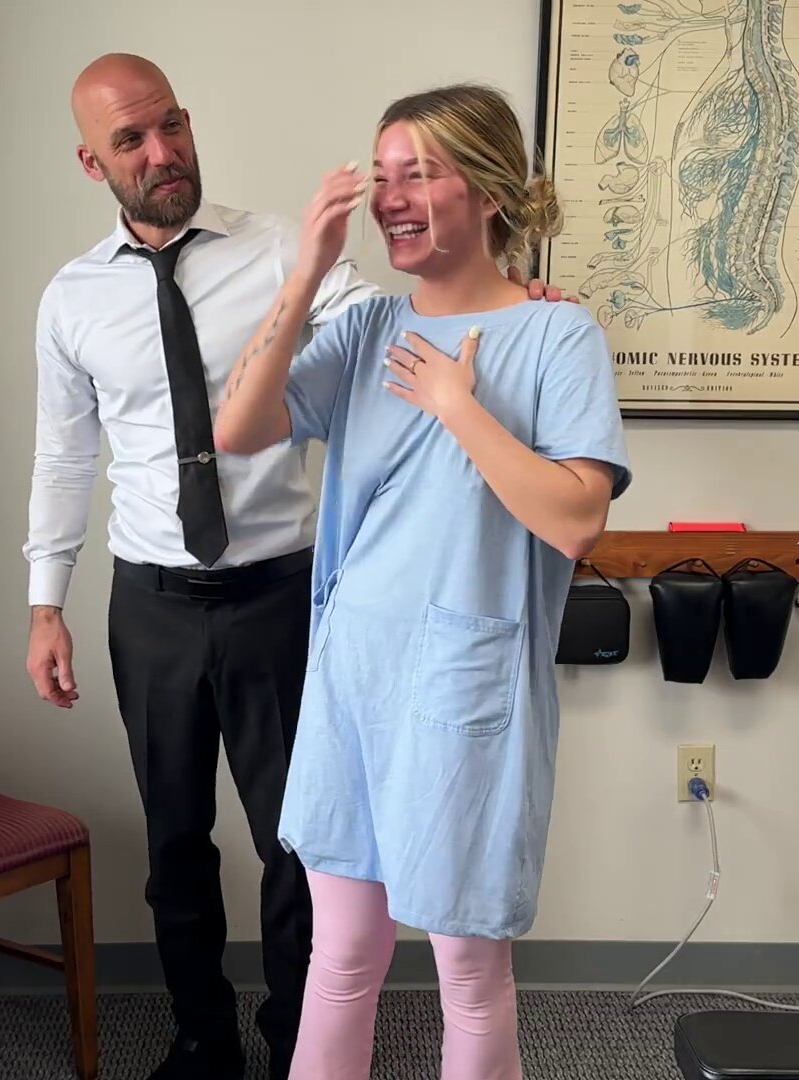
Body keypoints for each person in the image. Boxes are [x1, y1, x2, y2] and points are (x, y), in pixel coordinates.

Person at [24, 55, 569, 1080]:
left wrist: (511, 310)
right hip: (151, 599)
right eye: (132, 140)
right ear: (94, 164)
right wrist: (44, 602)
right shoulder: (72, 300)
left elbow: (395, 325)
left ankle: (294, 1044)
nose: (162, 151)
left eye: (171, 124)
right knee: (175, 840)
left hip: (278, 590)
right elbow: (64, 455)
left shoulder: (282, 246)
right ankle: (201, 1041)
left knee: (305, 842)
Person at [212, 83, 633, 1080]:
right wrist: (308, 271)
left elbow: (577, 519)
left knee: (469, 975)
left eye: (420, 173)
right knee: (340, 958)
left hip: (464, 681)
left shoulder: (557, 336)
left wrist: (458, 406)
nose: (391, 196)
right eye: (382, 175)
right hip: (353, 675)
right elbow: (237, 427)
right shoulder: (365, 331)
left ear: (487, 191)